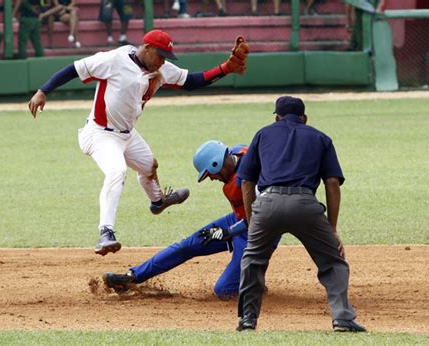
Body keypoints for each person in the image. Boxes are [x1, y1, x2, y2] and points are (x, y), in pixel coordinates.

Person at [27, 31, 250, 256]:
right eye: (161, 55)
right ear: (146, 48)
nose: (163, 61)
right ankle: (106, 232)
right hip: (99, 134)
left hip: (127, 134)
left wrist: (225, 69)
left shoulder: (159, 69)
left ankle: (158, 201)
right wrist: (43, 91)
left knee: (148, 166)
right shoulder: (113, 60)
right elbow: (74, 69)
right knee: (117, 171)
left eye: (166, 57)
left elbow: (191, 81)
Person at [236, 96, 366, 333]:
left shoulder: (263, 134)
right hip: (305, 204)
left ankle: (247, 319)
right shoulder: (320, 137)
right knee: (333, 262)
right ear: (305, 118)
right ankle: (342, 318)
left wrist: (252, 219)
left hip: (267, 204)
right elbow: (333, 183)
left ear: (277, 117)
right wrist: (332, 228)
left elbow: (246, 181)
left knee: (252, 261)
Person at [103, 140, 280, 299]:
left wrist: (228, 232)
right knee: (189, 244)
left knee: (224, 291)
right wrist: (227, 231)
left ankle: (252, 281)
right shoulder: (238, 153)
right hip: (240, 220)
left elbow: (256, 220)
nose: (211, 178)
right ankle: (132, 277)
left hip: (259, 233)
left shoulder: (243, 180)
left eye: (209, 174)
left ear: (216, 164)